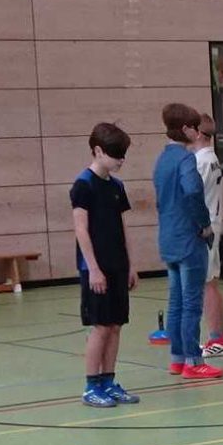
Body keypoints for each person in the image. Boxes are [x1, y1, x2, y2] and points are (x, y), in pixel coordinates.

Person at [71, 123, 140, 407]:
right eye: (115, 154)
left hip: (118, 265)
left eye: (123, 155)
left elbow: (123, 227)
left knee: (115, 326)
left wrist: (131, 265)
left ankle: (109, 381)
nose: (121, 160)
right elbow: (81, 229)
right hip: (96, 268)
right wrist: (94, 269)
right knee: (100, 327)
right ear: (98, 151)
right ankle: (91, 386)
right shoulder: (83, 185)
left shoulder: (117, 186)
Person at [152, 104, 221, 382]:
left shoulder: (161, 160)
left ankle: (177, 359)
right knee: (192, 303)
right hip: (188, 238)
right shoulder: (185, 160)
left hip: (168, 237)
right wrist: (204, 224)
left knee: (176, 301)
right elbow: (193, 192)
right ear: (185, 129)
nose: (198, 132)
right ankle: (194, 360)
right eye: (194, 127)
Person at [193, 117, 223, 358]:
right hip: (212, 225)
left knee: (207, 284)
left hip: (205, 228)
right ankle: (219, 337)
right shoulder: (211, 158)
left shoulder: (201, 161)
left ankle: (217, 338)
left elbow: (193, 197)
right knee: (210, 283)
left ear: (198, 133)